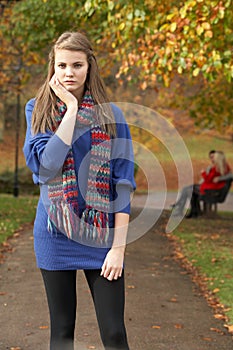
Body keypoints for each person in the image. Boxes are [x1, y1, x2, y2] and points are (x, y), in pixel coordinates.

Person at [23, 31, 136, 350]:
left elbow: (123, 184)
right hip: (54, 235)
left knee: (114, 332)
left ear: (90, 66)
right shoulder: (38, 110)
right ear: (53, 68)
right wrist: (71, 111)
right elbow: (47, 166)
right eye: (61, 65)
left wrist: (118, 249)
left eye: (76, 65)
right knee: (62, 332)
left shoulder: (112, 116)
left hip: (101, 237)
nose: (68, 72)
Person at [171, 150, 216, 217]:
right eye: (211, 157)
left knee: (189, 190)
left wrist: (203, 174)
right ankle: (187, 210)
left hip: (209, 188)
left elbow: (209, 179)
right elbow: (206, 179)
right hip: (204, 185)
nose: (212, 159)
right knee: (186, 189)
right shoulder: (211, 167)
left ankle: (181, 207)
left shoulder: (217, 168)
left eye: (213, 157)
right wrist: (200, 182)